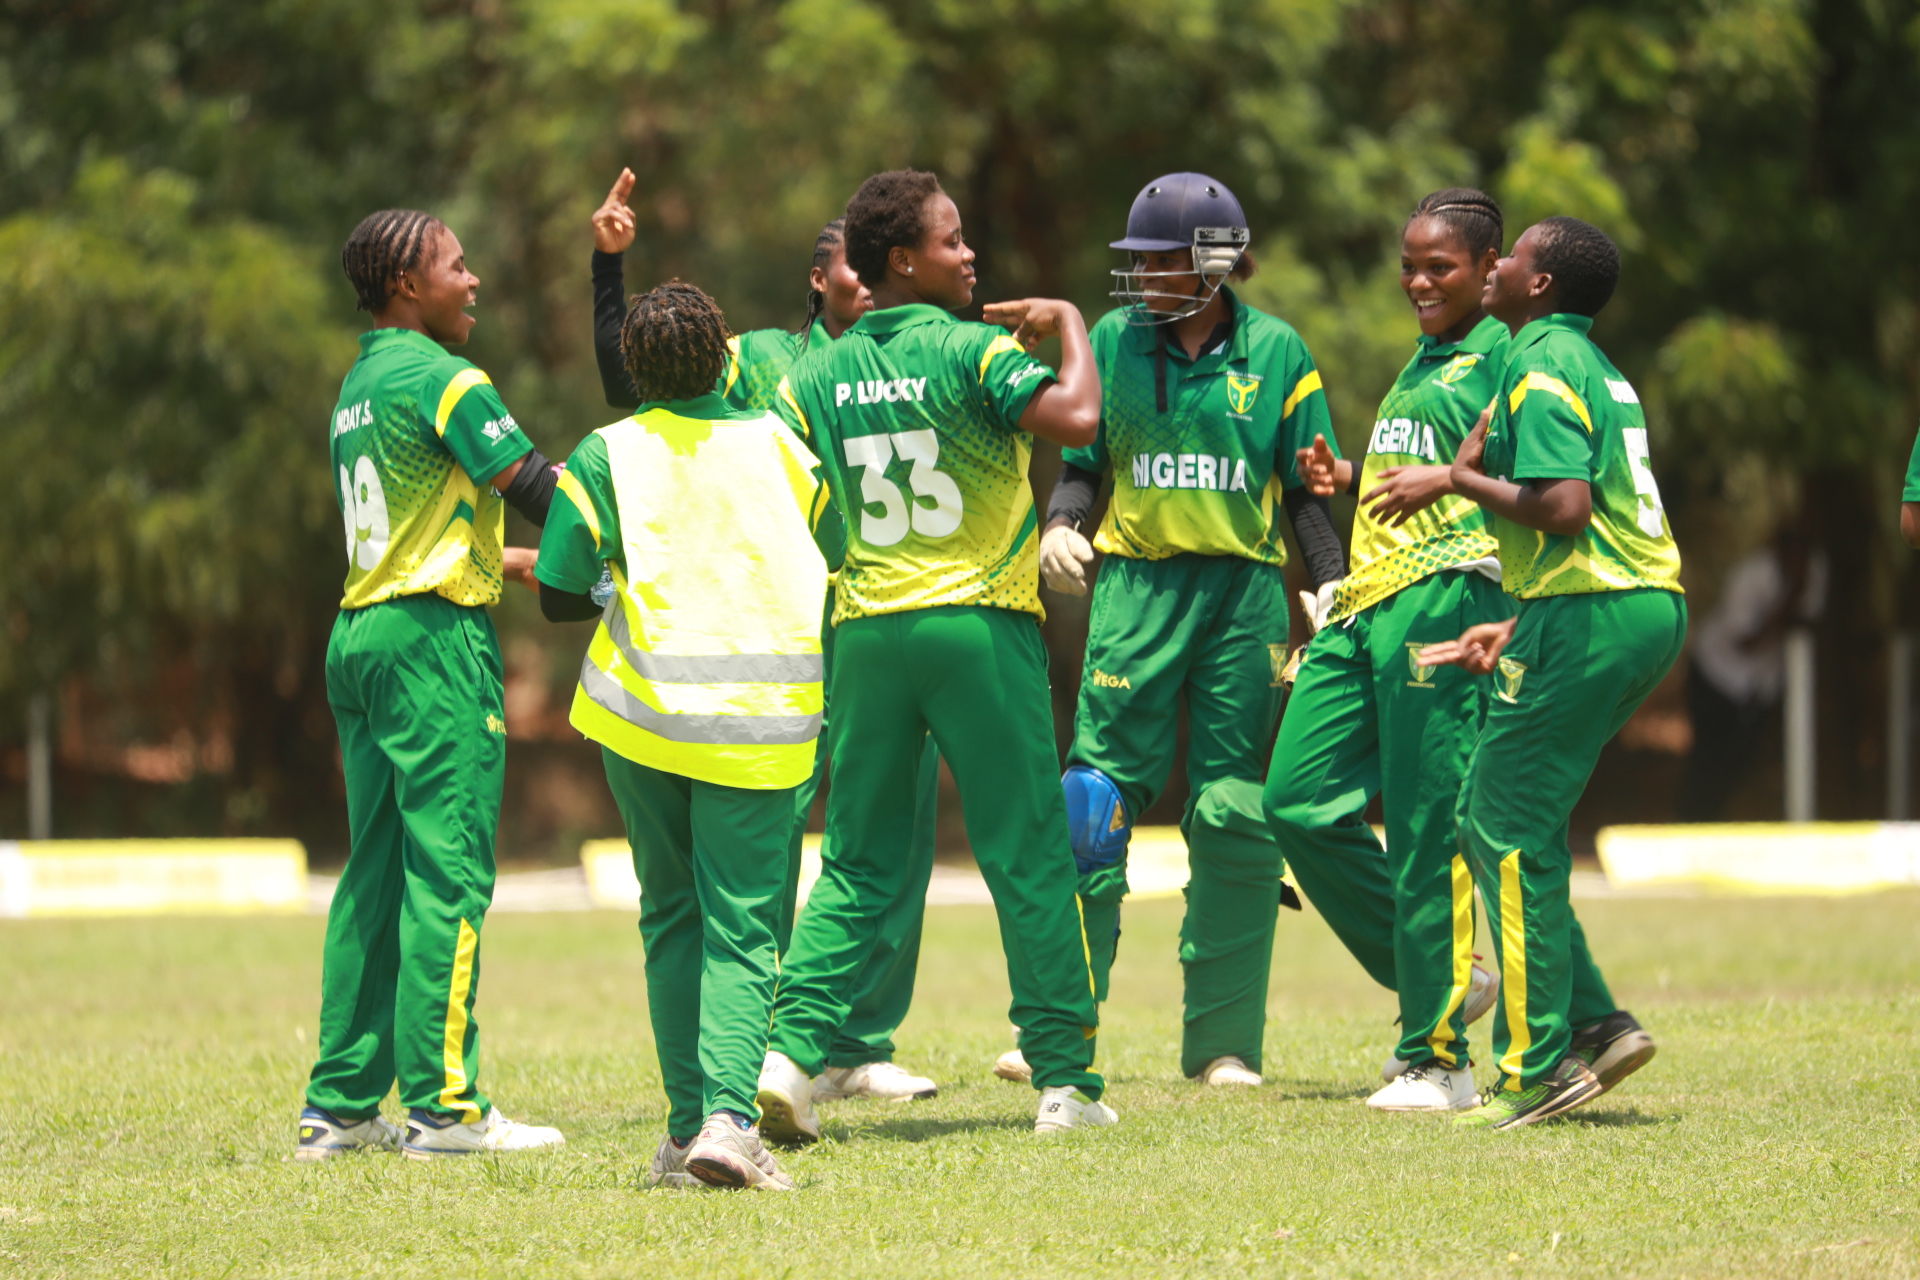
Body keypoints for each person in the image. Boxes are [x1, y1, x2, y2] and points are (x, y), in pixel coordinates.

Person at [755, 168, 1114, 1138]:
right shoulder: (974, 351)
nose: (969, 254)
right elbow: (1078, 419)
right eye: (952, 240)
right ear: (903, 259)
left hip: (867, 633)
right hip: (976, 626)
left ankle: (788, 1058)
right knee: (1028, 848)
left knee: (858, 861)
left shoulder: (812, 375)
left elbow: (782, 495)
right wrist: (1073, 320)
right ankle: (1067, 1081)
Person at [588, 170, 941, 1104]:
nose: (864, 285)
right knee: (767, 857)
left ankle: (856, 1041)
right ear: (818, 280)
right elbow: (647, 387)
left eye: (875, 272)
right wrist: (609, 273)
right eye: (848, 272)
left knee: (884, 835)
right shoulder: (759, 361)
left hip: (872, 621)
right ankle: (773, 1053)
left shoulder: (925, 352)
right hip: (764, 646)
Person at [1018, 171, 1340, 1088]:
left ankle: (1225, 1045)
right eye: (1139, 261)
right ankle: (1060, 1029)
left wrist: (1331, 585)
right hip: (1136, 592)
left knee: (1235, 809)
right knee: (1090, 806)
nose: (1144, 276)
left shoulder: (1279, 352)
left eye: (1161, 260)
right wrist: (1061, 526)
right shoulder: (1113, 343)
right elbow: (1083, 464)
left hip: (1244, 601)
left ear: (1215, 262)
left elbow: (1306, 489)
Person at [536, 279, 834, 1191]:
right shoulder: (786, 447)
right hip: (758, 721)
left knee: (670, 918)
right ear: (723, 357)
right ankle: (728, 1126)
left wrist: (609, 578)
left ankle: (681, 1135)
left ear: (635, 367)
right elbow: (835, 550)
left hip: (644, 718)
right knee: (745, 931)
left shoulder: (604, 453)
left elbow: (556, 590)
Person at [297, 210, 566, 1161]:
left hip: (362, 634)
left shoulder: (360, 384)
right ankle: (448, 1112)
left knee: (372, 875)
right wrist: (630, 515)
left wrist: (513, 562)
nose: (475, 280)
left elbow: (428, 518)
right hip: (432, 646)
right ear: (408, 284)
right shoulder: (446, 376)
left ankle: (338, 1107)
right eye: (458, 266)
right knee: (447, 874)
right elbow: (535, 479)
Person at [1421, 216, 1681, 1130]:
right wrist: (1520, 617)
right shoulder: (1593, 363)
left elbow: (1565, 509)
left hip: (1593, 610)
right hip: (1630, 606)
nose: (1499, 264)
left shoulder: (1536, 362)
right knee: (1497, 821)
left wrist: (1458, 482)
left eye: (1517, 252)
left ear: (1539, 284)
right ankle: (1597, 1023)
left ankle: (1539, 1068)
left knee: (1506, 824)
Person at [1264, 189, 1516, 1112]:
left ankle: (1439, 1057)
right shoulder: (1427, 354)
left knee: (1424, 824)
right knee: (1293, 800)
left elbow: (1530, 486)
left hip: (1448, 600)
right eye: (1408, 265)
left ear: (1490, 270)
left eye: (1438, 267)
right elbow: (1431, 479)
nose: (1417, 281)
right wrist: (1352, 479)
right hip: (1364, 604)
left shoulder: (1509, 357)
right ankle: (1446, 978)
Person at [1678, 519, 1826, 821]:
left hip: (1759, 685)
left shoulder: (1816, 569)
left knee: (1742, 760)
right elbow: (1745, 641)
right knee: (1707, 757)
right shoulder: (1750, 574)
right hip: (1715, 673)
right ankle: (1691, 820)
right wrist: (1790, 598)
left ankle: (1716, 819)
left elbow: (1809, 626)